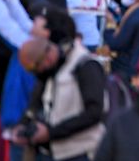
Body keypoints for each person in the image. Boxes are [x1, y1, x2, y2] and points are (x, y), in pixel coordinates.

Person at [15, 25, 107, 161]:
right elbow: (36, 100)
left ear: (48, 59)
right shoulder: (51, 69)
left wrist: (50, 132)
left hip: (81, 151)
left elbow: (94, 112)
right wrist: (24, 124)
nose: (36, 74)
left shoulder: (85, 65)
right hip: (50, 152)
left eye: (36, 69)